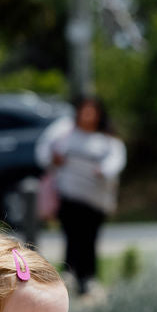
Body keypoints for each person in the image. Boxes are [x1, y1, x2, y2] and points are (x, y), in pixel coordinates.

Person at [38, 96, 127, 296]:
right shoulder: (65, 132)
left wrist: (102, 171)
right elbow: (44, 151)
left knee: (90, 239)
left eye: (92, 110)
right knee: (71, 237)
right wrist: (54, 159)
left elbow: (116, 161)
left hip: (96, 199)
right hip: (69, 195)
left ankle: (88, 278)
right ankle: (69, 276)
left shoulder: (108, 140)